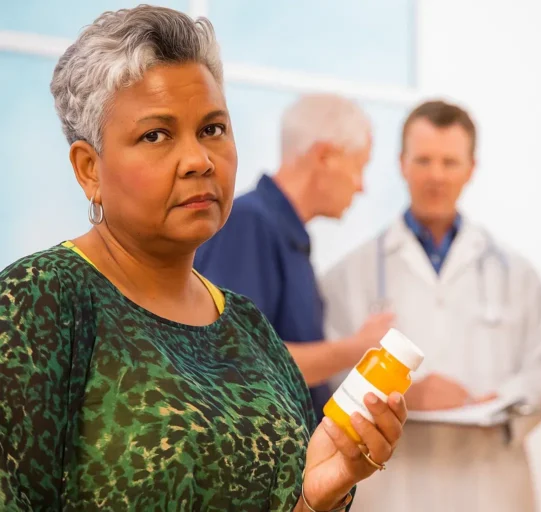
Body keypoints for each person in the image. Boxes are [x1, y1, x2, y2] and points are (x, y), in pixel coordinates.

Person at [0, 6, 407, 511]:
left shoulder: (249, 328)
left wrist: (321, 491)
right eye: (156, 135)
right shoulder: (40, 302)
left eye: (213, 129)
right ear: (89, 170)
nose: (198, 160)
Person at [320, 100, 541, 511]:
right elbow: (334, 377)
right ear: (401, 164)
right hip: (394, 485)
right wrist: (404, 395)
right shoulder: (349, 273)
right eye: (424, 160)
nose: (436, 175)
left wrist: (494, 400)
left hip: (489, 483)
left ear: (471, 168)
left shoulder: (516, 274)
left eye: (450, 162)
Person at [194, 94, 394, 422]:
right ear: (326, 156)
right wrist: (357, 347)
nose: (361, 187)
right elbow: (236, 362)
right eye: (360, 166)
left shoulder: (289, 238)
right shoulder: (249, 224)